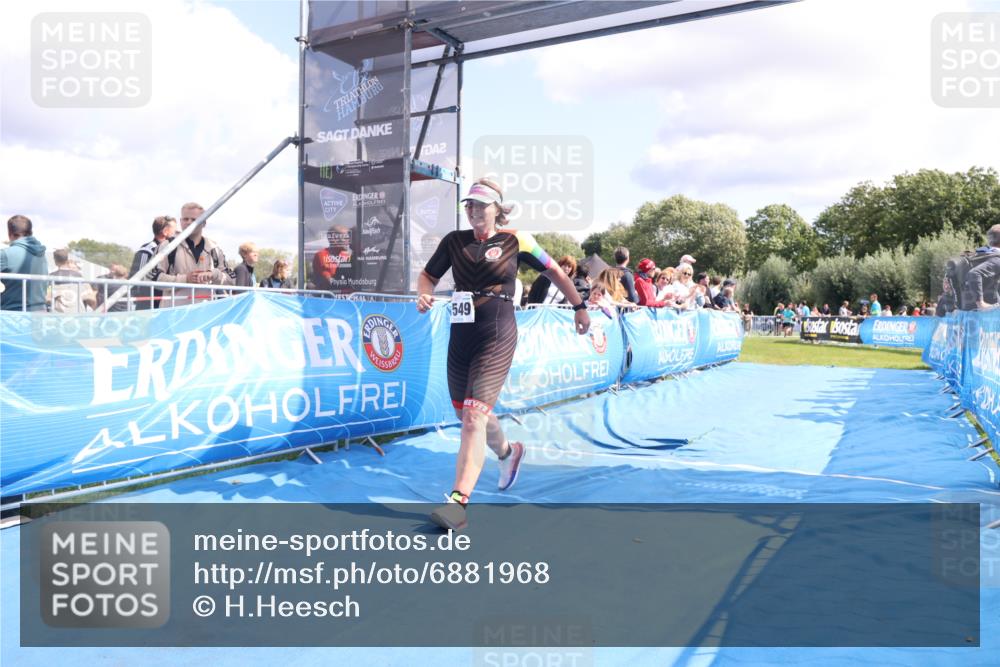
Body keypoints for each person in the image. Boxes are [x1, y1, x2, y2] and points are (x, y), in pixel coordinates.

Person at [416, 178, 590, 530]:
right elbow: (427, 275)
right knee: (471, 413)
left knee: (472, 418)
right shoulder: (454, 241)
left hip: (497, 332)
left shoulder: (517, 239)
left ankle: (457, 502)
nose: (474, 211)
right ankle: (509, 453)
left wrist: (579, 307)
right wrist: (424, 293)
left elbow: (555, 271)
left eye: (481, 205)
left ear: (498, 208)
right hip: (461, 331)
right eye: (469, 205)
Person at [151, 202, 235, 306]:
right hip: (174, 315)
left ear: (204, 223)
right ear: (180, 221)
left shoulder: (214, 248)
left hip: (205, 314)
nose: (189, 222)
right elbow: (152, 278)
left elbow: (232, 279)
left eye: (194, 220)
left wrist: (213, 274)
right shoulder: (168, 246)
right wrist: (185, 279)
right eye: (185, 219)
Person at [1, 215, 48, 311]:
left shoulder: (5, 254)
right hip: (40, 313)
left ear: (10, 234)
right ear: (31, 233)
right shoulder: (42, 255)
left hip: (13, 316)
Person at [129, 214, 176, 309]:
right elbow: (137, 280)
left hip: (165, 304)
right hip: (149, 306)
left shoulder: (172, 251)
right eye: (174, 231)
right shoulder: (147, 251)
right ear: (165, 232)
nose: (176, 234)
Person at [48, 248, 97, 313]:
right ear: (67, 260)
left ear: (55, 260)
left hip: (59, 316)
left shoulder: (51, 277)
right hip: (76, 315)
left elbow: (47, 298)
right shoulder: (80, 277)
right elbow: (92, 299)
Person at [965, 224, 1000, 309]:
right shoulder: (997, 258)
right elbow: (974, 273)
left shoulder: (980, 254)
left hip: (967, 307)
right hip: (986, 312)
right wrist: (981, 303)